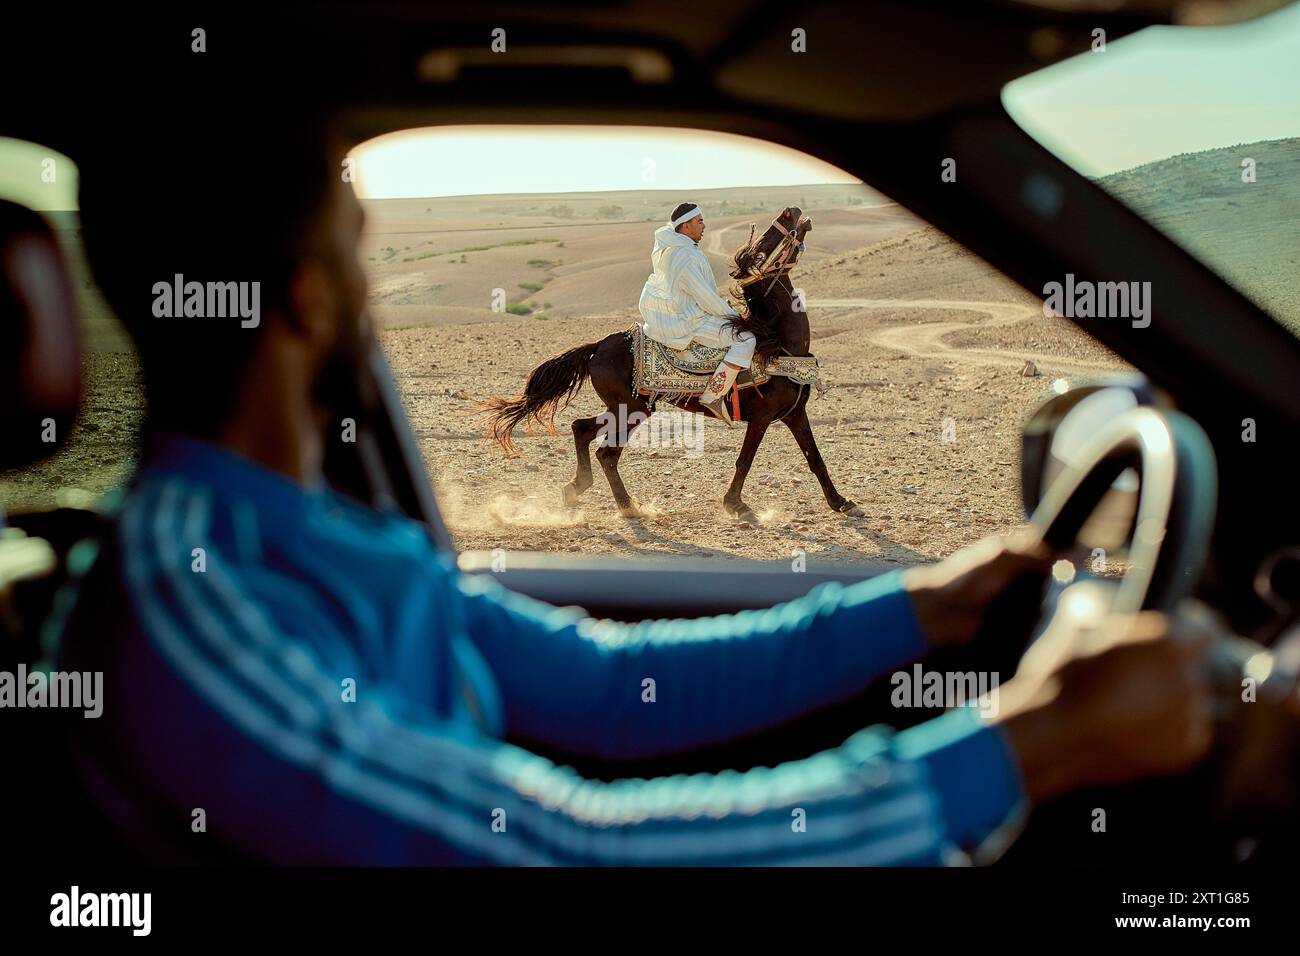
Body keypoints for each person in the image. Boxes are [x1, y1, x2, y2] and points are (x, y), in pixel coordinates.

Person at [56, 109, 1214, 865]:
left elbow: (616, 684)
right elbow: (569, 853)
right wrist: (1031, 744)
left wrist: (921, 604)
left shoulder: (327, 541)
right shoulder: (193, 609)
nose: (377, 285)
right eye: (362, 250)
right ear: (309, 300)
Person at [638, 202, 755, 425]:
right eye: (699, 221)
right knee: (746, 339)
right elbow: (705, 297)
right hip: (689, 320)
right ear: (686, 226)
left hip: (693, 314)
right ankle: (714, 395)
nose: (704, 225)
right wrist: (733, 317)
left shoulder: (684, 248)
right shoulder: (683, 255)